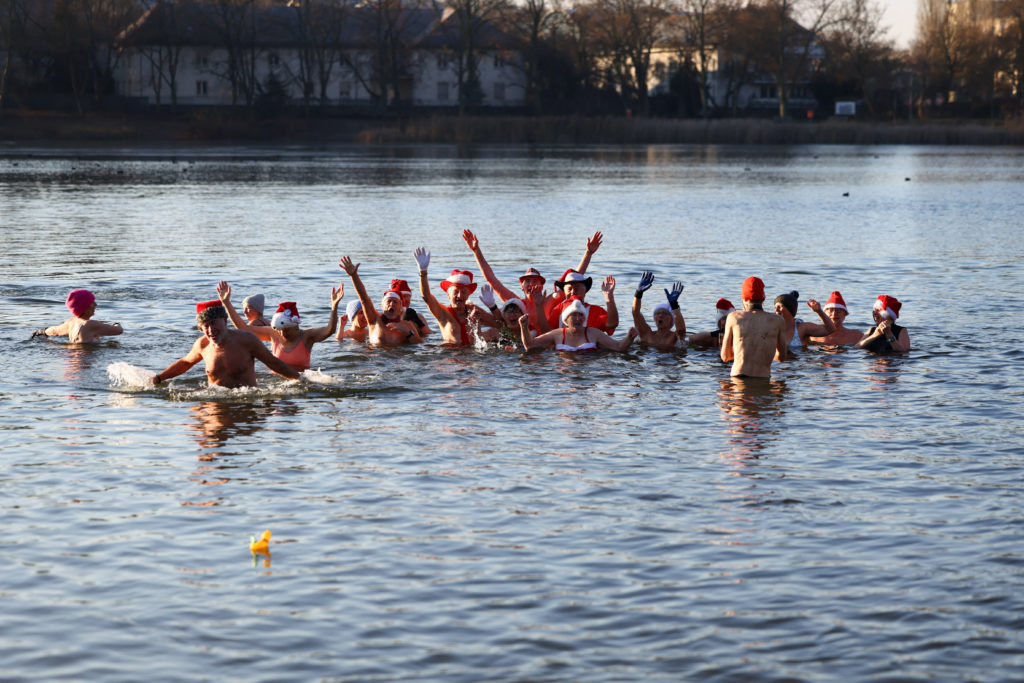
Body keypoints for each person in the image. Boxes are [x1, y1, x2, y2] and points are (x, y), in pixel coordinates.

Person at [462, 228, 606, 332]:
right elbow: (491, 279)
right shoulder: (516, 303)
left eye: (535, 281)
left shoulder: (551, 300)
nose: (531, 284)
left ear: (542, 286)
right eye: (527, 281)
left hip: (544, 344)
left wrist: (588, 253)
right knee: (472, 308)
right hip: (518, 342)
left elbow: (573, 281)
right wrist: (476, 251)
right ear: (522, 287)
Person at [152, 300, 301, 388]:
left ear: (224, 321)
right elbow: (185, 363)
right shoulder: (202, 345)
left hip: (246, 401)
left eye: (214, 323)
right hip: (215, 402)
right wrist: (158, 379)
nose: (211, 330)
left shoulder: (246, 340)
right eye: (205, 326)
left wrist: (301, 381)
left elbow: (274, 362)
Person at [216, 281, 342, 371]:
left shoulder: (307, 336)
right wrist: (226, 302)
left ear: (296, 325)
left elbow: (330, 330)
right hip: (276, 381)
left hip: (300, 379)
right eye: (280, 330)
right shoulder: (273, 334)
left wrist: (334, 307)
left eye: (286, 330)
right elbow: (243, 328)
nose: (282, 333)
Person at [414, 247, 496, 346]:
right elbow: (426, 296)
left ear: (469, 294)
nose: (460, 295)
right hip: (451, 356)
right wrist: (423, 272)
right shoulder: (443, 313)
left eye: (464, 292)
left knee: (495, 332)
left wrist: (492, 306)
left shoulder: (474, 310)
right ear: (448, 294)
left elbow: (500, 325)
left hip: (473, 357)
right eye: (456, 291)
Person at [339, 256, 423, 346]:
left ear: (401, 308)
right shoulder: (374, 321)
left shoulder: (408, 326)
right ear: (382, 306)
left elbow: (418, 346)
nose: (392, 304)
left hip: (400, 358)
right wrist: (354, 276)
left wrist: (408, 332)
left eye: (395, 302)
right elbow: (364, 298)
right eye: (388, 301)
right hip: (377, 357)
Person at [721, 276, 788, 378]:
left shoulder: (734, 317)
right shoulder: (777, 320)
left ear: (744, 298)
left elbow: (725, 357)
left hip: (738, 379)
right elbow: (781, 357)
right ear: (763, 298)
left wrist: (742, 353)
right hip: (763, 379)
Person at [521, 297, 637, 353]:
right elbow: (530, 345)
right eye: (574, 315)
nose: (578, 318)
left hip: (587, 373)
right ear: (566, 319)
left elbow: (618, 347)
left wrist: (629, 338)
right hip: (564, 375)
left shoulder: (593, 333)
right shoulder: (557, 334)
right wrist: (524, 327)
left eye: (581, 315)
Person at [34, 288, 123, 343]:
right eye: (92, 303)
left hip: (72, 360)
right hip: (85, 361)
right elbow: (118, 331)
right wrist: (116, 324)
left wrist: (42, 331)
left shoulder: (71, 322)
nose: (96, 305)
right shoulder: (90, 324)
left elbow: (54, 331)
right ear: (85, 307)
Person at [546, 270, 619, 333]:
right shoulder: (558, 310)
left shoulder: (596, 311)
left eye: (577, 288)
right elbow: (546, 333)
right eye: (569, 289)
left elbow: (612, 324)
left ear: (585, 291)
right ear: (564, 292)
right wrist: (538, 306)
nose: (573, 292)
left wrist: (609, 296)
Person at [631, 272, 686, 349]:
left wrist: (674, 305)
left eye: (665, 313)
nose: (660, 315)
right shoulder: (647, 334)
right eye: (657, 313)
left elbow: (681, 329)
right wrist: (638, 293)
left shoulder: (675, 337)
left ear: (672, 320)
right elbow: (635, 313)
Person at [773, 290, 834, 358]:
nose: (776, 310)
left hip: (799, 365)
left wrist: (819, 311)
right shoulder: (771, 328)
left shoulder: (802, 328)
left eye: (779, 307)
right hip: (777, 366)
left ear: (790, 309)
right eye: (775, 307)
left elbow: (830, 329)